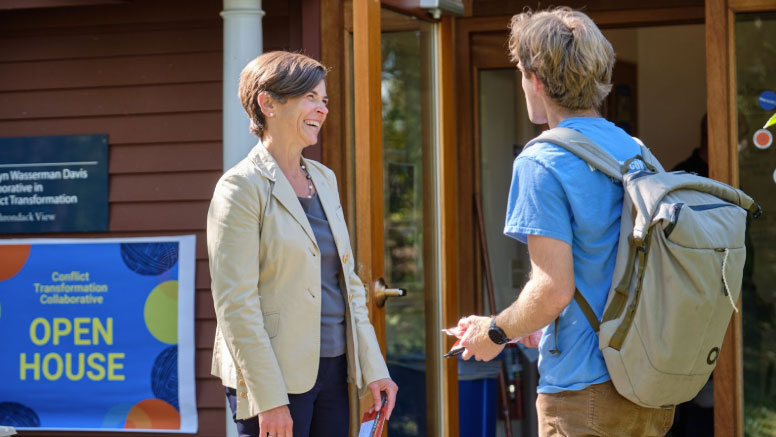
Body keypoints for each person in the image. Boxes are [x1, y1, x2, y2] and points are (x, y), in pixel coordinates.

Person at [456, 8, 675, 436]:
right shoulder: (637, 151)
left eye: (522, 73)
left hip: (583, 392)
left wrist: (494, 332)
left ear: (536, 79)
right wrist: (536, 324)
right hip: (647, 382)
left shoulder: (542, 160)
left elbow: (553, 290)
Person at [207, 51, 397, 437]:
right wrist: (268, 398)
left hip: (334, 369)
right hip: (273, 377)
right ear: (268, 104)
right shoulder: (240, 187)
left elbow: (349, 285)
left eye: (324, 100)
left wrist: (374, 369)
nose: (322, 109)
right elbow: (235, 304)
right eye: (310, 97)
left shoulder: (324, 179)